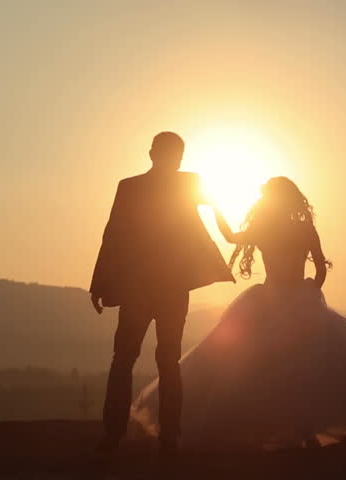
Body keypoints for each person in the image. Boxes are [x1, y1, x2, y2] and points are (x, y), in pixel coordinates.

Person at [131, 177, 346, 449]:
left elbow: (231, 236)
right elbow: (318, 268)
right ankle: (299, 431)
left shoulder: (268, 228)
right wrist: (310, 293)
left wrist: (216, 208)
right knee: (302, 369)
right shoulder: (302, 229)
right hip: (292, 301)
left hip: (272, 301)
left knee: (264, 367)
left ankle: (293, 430)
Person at [89, 132, 234, 455]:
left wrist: (100, 282)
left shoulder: (132, 186)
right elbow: (113, 234)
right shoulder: (185, 183)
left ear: (152, 153)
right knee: (165, 361)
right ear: (177, 156)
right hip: (168, 287)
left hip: (140, 287)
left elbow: (112, 236)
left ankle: (116, 436)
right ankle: (168, 437)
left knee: (126, 359)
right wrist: (230, 235)